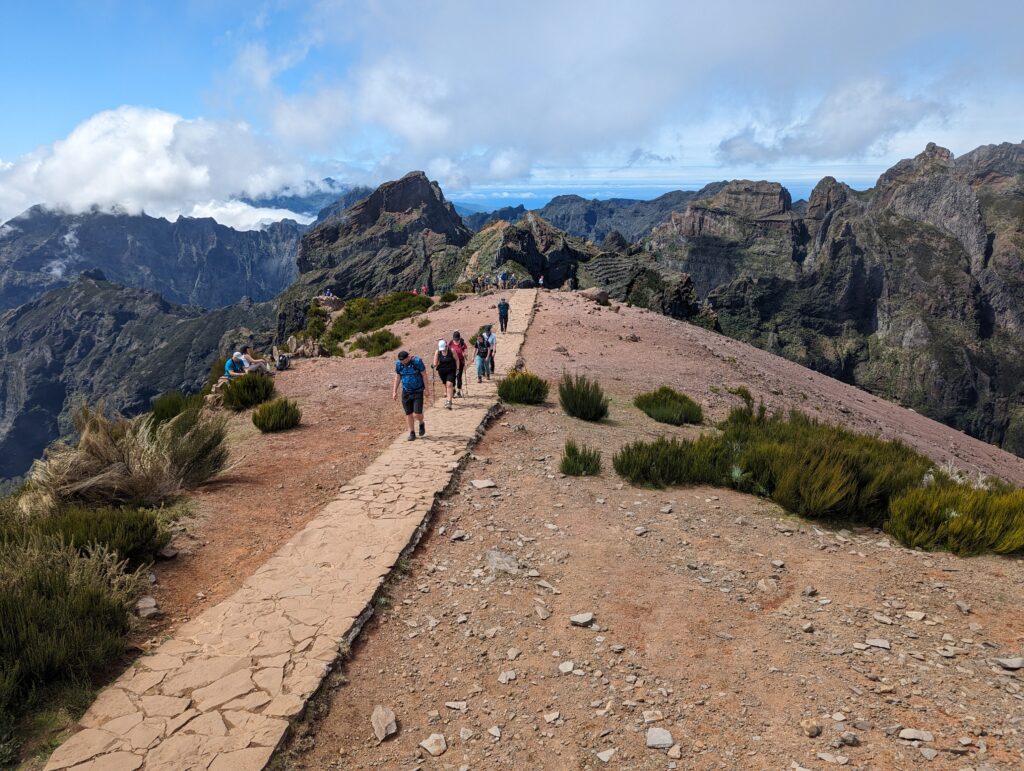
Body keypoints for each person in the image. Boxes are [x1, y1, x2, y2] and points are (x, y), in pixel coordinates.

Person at [393, 350, 431, 441]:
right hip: (406, 391)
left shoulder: (417, 362)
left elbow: (424, 375)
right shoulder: (399, 364)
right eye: (401, 361)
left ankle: (421, 423)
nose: (403, 362)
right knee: (408, 413)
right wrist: (394, 391)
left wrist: (427, 389)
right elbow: (398, 377)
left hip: (418, 391)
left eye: (404, 360)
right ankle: (412, 432)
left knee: (417, 413)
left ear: (408, 357)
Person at [433, 339, 458, 409]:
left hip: (451, 370)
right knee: (446, 385)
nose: (442, 350)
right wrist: (433, 365)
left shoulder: (451, 351)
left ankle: (448, 402)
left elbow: (457, 360)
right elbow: (435, 362)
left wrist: (458, 368)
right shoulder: (438, 352)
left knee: (449, 385)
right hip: (442, 371)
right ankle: (451, 392)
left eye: (443, 348)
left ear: (446, 346)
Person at [449, 330, 468, 396]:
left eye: (457, 339)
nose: (456, 340)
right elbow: (448, 351)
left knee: (459, 376)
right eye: (455, 339)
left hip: (460, 362)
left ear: (459, 338)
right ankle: (453, 390)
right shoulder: (451, 343)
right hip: (452, 362)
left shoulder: (462, 343)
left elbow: (465, 351)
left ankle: (459, 390)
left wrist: (465, 354)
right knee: (453, 376)